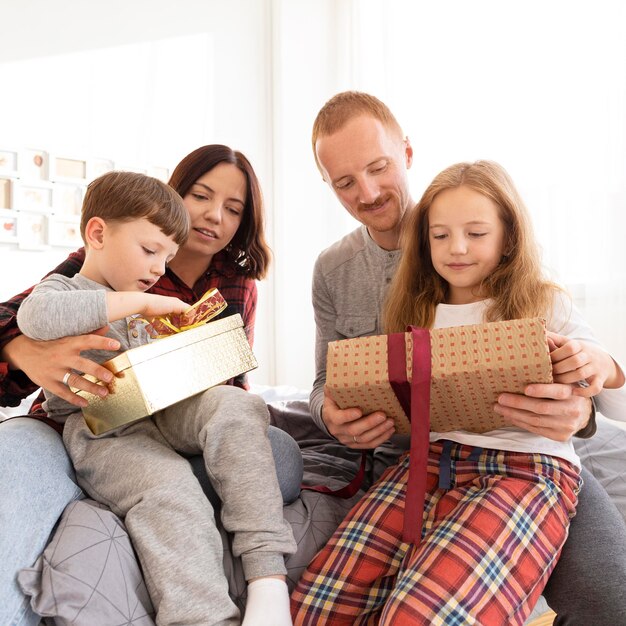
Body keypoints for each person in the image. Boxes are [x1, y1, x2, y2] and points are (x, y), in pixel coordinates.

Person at [304, 91, 626, 623]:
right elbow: (324, 381)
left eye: (378, 167)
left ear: (406, 153)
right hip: (422, 461)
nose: (366, 191)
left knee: (610, 600)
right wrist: (328, 413)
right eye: (343, 182)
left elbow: (597, 374)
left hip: (529, 461)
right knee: (320, 607)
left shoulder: (474, 227)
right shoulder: (353, 277)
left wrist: (586, 404)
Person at [0, 145, 303, 626]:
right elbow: (32, 315)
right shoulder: (88, 283)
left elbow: (229, 383)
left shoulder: (234, 282)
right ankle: (203, 616)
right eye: (201, 196)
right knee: (170, 488)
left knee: (244, 416)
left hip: (165, 410)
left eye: (233, 208)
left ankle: (267, 578)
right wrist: (135, 303)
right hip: (102, 427)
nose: (214, 215)